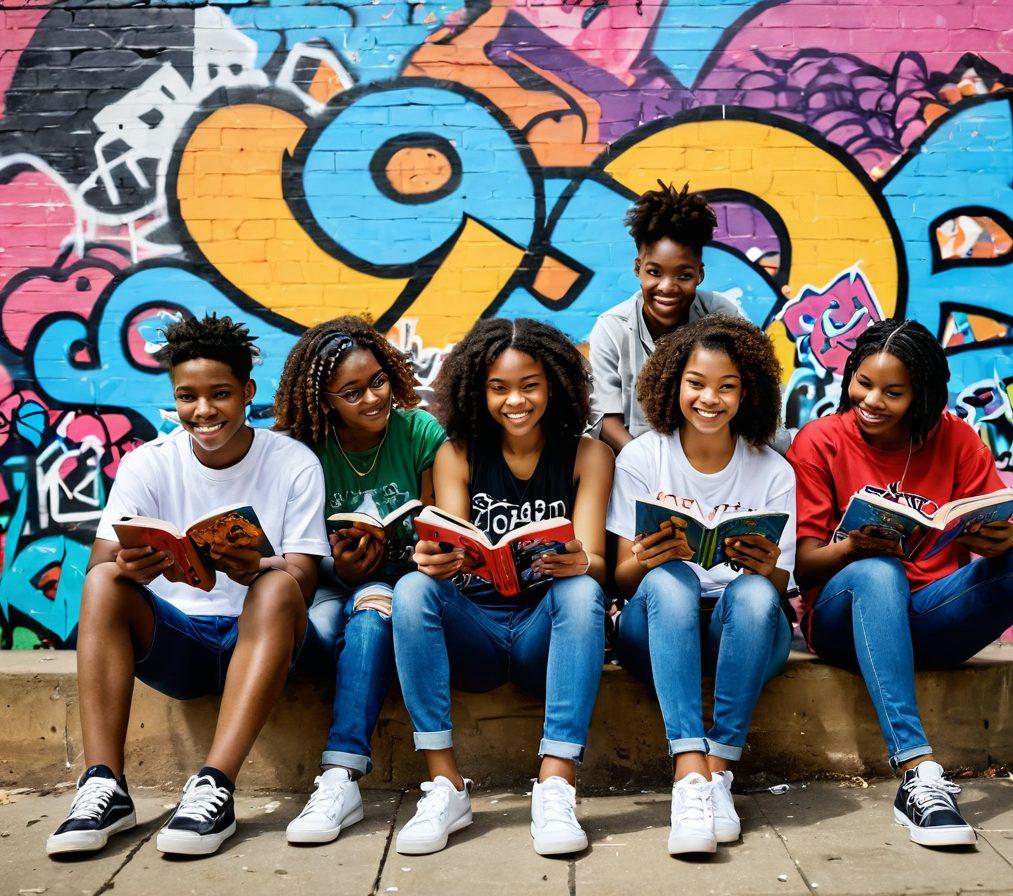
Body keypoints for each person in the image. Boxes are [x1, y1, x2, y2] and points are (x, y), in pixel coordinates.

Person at [787, 318, 1013, 848]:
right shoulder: (821, 441)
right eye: (863, 383)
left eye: (893, 392)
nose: (872, 401)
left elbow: (994, 526)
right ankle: (917, 775)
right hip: (847, 618)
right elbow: (804, 566)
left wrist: (996, 539)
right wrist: (855, 547)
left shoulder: (954, 437)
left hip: (934, 616)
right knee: (880, 571)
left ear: (922, 395)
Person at [46, 314, 329, 858]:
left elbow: (305, 578)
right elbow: (102, 559)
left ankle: (214, 786)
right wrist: (137, 564)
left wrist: (256, 567)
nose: (204, 411)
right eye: (187, 397)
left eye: (220, 394)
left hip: (265, 643)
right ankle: (104, 784)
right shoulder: (148, 463)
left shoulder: (293, 462)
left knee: (276, 586)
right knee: (104, 581)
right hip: (181, 643)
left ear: (248, 392)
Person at [390, 318, 613, 857]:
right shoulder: (457, 454)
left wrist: (582, 560)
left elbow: (600, 563)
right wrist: (437, 560)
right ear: (478, 390)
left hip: (545, 637)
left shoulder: (589, 455)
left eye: (530, 385)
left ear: (554, 385)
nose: (516, 400)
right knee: (411, 589)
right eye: (499, 388)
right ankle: (445, 785)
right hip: (478, 634)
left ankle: (556, 784)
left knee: (583, 590)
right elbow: (450, 539)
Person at [608, 314, 797, 856]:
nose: (710, 399)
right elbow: (621, 578)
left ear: (747, 392)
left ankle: (719, 772)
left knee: (757, 592)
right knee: (672, 581)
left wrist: (764, 565)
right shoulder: (643, 457)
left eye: (727, 386)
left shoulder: (773, 470)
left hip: (742, 629)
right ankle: (690, 772)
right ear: (674, 384)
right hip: (659, 627)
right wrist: (647, 558)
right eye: (696, 383)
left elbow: (779, 585)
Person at [272, 316, 445, 844]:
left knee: (373, 612)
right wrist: (339, 567)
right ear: (324, 401)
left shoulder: (419, 432)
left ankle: (340, 777)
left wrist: (423, 549)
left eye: (378, 382)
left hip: (404, 585)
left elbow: (439, 522)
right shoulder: (304, 449)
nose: (372, 398)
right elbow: (295, 550)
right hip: (329, 586)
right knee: (326, 629)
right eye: (351, 393)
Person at [589, 181, 744, 454]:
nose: (667, 287)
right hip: (638, 463)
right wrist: (651, 466)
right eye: (654, 272)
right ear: (638, 268)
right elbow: (607, 420)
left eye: (683, 275)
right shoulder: (612, 329)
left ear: (699, 274)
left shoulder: (722, 316)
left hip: (711, 457)